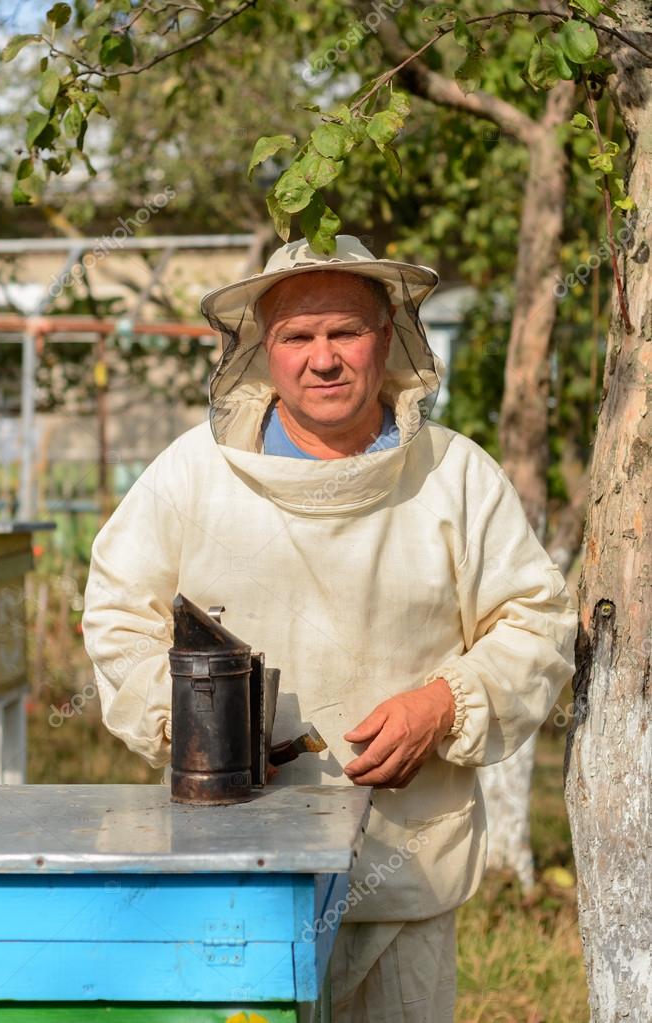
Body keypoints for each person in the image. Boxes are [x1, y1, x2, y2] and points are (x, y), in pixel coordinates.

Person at [83, 235, 577, 1022]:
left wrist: (445, 702)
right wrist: (201, 726)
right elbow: (117, 617)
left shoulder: (454, 476)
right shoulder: (191, 474)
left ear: (388, 338)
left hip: (403, 879)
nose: (324, 359)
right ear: (262, 349)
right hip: (233, 880)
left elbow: (538, 621)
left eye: (344, 332)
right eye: (297, 336)